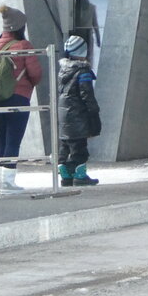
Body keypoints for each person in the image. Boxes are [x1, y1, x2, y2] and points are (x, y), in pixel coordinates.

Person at [0, 4, 42, 194]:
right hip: (18, 97)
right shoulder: (24, 46)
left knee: (3, 140)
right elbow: (35, 74)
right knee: (13, 140)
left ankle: (1, 180)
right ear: (20, 27)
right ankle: (8, 183)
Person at [57, 33, 101, 187]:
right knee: (80, 148)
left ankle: (65, 175)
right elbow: (86, 95)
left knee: (65, 145)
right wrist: (94, 112)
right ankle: (79, 175)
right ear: (83, 52)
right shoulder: (83, 72)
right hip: (78, 116)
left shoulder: (63, 70)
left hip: (64, 116)